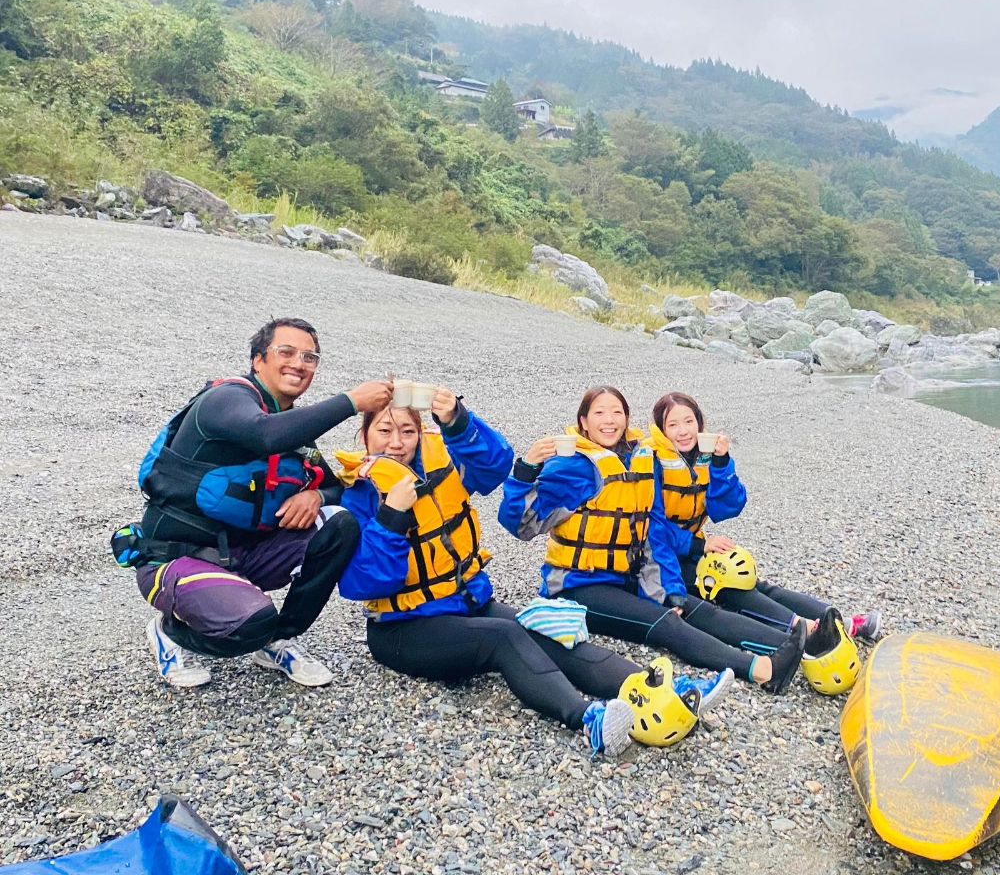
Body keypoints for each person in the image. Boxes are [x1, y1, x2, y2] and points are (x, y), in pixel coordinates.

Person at [337, 398, 728, 756]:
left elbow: (494, 464)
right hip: (403, 629)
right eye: (384, 431)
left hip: (467, 602)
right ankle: (587, 719)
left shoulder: (437, 469)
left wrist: (457, 418)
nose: (397, 443)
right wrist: (392, 516)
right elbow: (362, 584)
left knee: (549, 629)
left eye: (407, 431)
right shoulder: (358, 495)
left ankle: (654, 688)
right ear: (364, 434)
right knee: (504, 637)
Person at [131, 317, 393, 689]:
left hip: (242, 559)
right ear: (258, 360)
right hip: (174, 560)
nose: (299, 363)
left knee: (340, 522)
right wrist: (351, 402)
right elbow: (263, 434)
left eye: (309, 357)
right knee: (251, 625)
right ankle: (170, 632)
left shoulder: (291, 425)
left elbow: (335, 488)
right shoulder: (225, 399)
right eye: (286, 352)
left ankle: (278, 641)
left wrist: (316, 495)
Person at [499, 386, 806, 694]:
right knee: (667, 623)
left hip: (627, 575)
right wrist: (526, 469)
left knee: (695, 608)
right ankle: (762, 670)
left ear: (627, 418)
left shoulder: (638, 460)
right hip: (578, 586)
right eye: (599, 413)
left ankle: (796, 647)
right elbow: (520, 524)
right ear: (583, 422)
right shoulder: (572, 466)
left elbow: (650, 531)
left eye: (617, 412)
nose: (609, 420)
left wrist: (667, 588)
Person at [643, 391, 883, 642]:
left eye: (689, 421)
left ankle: (840, 620)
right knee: (728, 584)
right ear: (661, 430)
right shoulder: (653, 461)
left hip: (690, 547)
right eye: (673, 425)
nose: (683, 431)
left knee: (754, 583)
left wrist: (721, 463)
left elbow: (728, 507)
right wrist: (698, 547)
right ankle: (806, 627)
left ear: (699, 423)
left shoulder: (701, 456)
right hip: (659, 555)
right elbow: (652, 527)